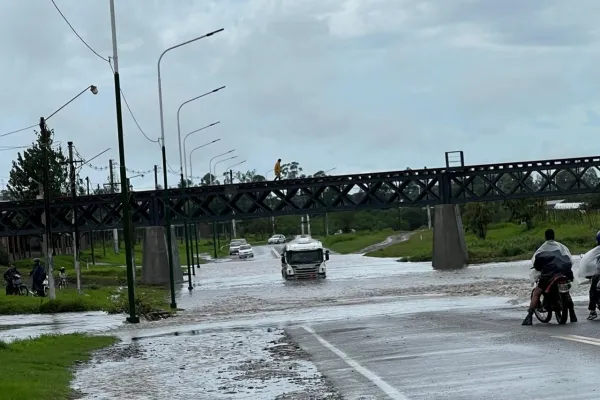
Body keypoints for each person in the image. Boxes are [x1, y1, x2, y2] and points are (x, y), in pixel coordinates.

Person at [522, 228, 577, 326]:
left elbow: (537, 265)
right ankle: (572, 314)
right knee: (566, 292)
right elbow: (570, 260)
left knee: (537, 292)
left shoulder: (542, 249)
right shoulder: (562, 247)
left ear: (545, 237)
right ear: (554, 236)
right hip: (564, 273)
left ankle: (529, 316)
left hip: (549, 275)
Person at [580, 231, 600, 320]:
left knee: (593, 290)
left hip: (598, 274)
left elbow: (588, 260)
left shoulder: (597, 250)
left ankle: (592, 311)